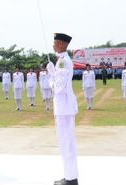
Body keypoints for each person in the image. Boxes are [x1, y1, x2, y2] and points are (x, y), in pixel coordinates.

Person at [47, 33, 78, 185]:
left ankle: (71, 178)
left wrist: (50, 76)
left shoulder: (63, 62)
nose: (53, 46)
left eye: (54, 43)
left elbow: (58, 88)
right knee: (66, 142)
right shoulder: (62, 60)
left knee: (66, 142)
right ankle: (70, 176)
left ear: (61, 44)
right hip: (64, 107)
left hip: (64, 107)